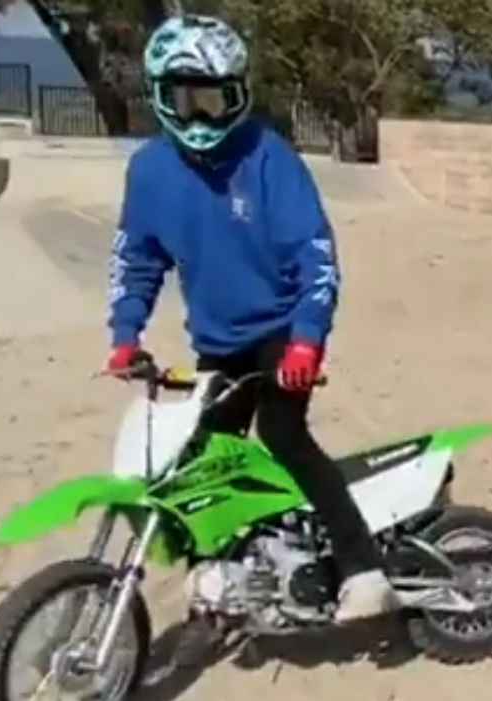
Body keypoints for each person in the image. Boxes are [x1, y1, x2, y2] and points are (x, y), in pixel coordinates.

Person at [105, 13, 395, 622]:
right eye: (185, 100)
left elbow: (315, 258)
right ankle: (232, 568)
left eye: (216, 99)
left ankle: (363, 568)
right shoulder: (150, 172)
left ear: (238, 95)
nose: (201, 116)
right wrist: (124, 337)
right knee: (205, 454)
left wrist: (305, 343)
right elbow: (138, 260)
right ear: (161, 96)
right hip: (217, 339)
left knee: (282, 435)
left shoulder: (269, 159)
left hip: (281, 333)